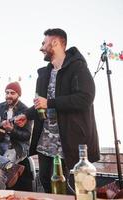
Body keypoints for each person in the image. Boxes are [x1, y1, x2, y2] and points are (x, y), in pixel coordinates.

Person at [15, 28, 100, 193]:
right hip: (45, 142)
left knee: (76, 189)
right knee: (46, 181)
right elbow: (41, 104)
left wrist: (50, 103)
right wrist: (26, 114)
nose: (41, 48)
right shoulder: (44, 74)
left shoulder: (78, 68)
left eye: (43, 43)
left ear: (55, 43)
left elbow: (85, 98)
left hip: (70, 140)